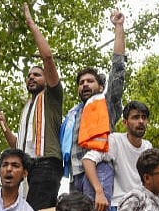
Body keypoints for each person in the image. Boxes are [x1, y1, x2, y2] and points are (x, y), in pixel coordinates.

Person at [0, 3, 63, 211]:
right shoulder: (27, 107)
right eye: (29, 75)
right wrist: (3, 125)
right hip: (26, 169)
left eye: (37, 74)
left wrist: (30, 23)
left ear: (46, 78)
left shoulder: (51, 97)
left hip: (45, 165)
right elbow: (18, 145)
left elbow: (47, 57)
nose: (31, 77)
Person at [61, 10, 126, 192]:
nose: (85, 85)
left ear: (100, 86)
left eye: (90, 81)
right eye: (81, 83)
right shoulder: (72, 114)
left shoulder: (106, 103)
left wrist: (119, 27)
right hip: (75, 176)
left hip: (99, 169)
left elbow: (118, 69)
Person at [82, 101, 152, 211]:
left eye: (144, 118)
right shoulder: (115, 140)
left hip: (141, 209)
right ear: (125, 123)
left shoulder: (148, 146)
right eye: (135, 117)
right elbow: (88, 160)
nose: (141, 121)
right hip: (118, 206)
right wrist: (99, 192)